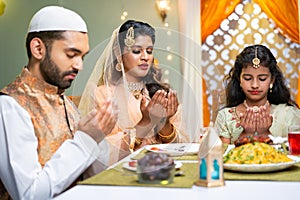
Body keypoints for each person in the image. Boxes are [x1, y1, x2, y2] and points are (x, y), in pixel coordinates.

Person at [0, 6, 117, 200]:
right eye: (71, 54)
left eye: (82, 56)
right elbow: (29, 195)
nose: (79, 65)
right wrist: (86, 140)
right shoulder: (10, 106)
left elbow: (91, 174)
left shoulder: (66, 104)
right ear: (38, 49)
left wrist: (100, 135)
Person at [78, 20, 189, 176]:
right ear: (118, 53)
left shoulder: (160, 94)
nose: (145, 57)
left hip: (164, 175)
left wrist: (163, 123)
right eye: (137, 51)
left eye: (149, 51)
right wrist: (145, 123)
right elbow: (98, 155)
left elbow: (184, 149)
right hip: (122, 180)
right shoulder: (102, 95)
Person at [214, 44, 300, 146]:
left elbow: (294, 156)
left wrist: (265, 134)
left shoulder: (289, 114)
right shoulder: (225, 116)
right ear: (239, 80)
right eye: (247, 78)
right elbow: (220, 157)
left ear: (272, 80)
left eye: (262, 78)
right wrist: (245, 135)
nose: (255, 85)